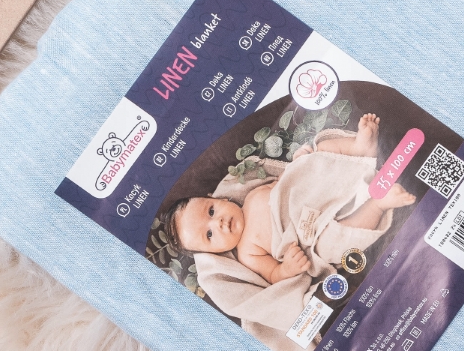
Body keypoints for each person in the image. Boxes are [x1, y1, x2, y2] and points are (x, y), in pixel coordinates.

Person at [156, 114, 417, 284]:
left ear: (215, 198)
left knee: (320, 151)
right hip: (312, 230)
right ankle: (378, 204)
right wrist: (288, 268)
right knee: (332, 245)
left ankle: (360, 149)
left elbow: (284, 182)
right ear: (215, 252)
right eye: (209, 235)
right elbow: (273, 273)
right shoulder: (247, 252)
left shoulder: (251, 196)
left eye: (211, 211)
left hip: (313, 190)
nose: (219, 223)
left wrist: (299, 164)